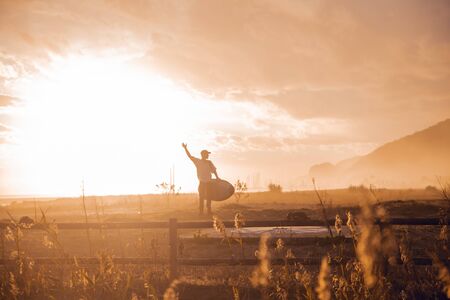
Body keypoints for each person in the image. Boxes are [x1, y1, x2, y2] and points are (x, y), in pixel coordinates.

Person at [182, 143, 220, 215]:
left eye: (208, 154)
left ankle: (209, 211)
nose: (208, 155)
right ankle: (201, 212)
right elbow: (189, 156)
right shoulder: (198, 161)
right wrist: (185, 148)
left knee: (209, 197)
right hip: (202, 182)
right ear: (203, 155)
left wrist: (217, 177)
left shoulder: (209, 162)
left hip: (209, 182)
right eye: (207, 154)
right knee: (201, 197)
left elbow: (214, 170)